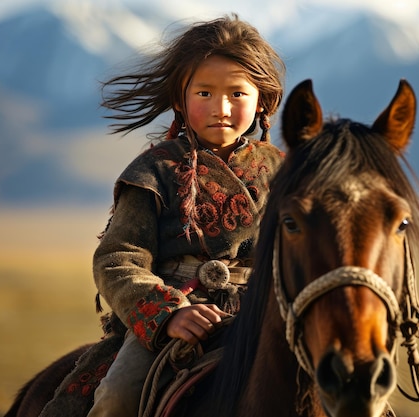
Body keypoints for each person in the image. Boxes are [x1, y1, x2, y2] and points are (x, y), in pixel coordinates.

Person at [86, 14, 285, 417]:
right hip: (178, 312)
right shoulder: (153, 170)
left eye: (237, 94)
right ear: (180, 98)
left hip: (267, 312)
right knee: (117, 399)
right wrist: (169, 314)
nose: (222, 108)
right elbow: (117, 258)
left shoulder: (285, 171)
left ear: (261, 99)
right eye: (205, 93)